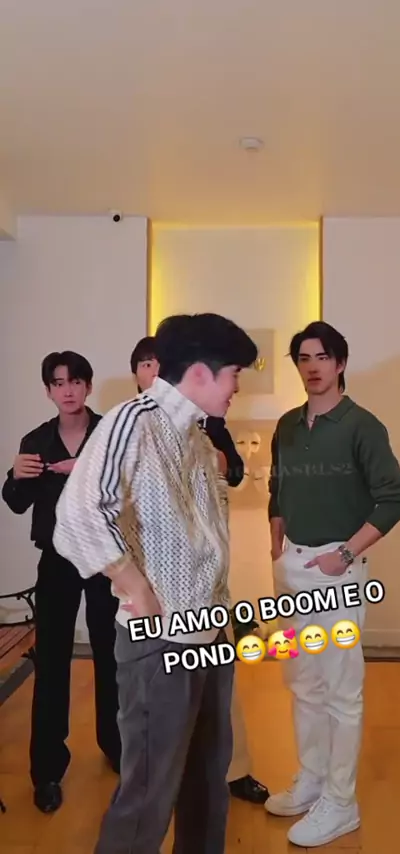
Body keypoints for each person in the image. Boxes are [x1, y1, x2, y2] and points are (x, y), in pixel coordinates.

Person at [53, 314, 258, 854]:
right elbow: (76, 514)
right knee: (148, 792)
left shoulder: (196, 436)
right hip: (160, 640)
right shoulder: (134, 419)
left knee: (207, 779)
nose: (237, 386)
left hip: (209, 632)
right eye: (235, 373)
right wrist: (134, 587)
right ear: (201, 372)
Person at [265, 321, 400, 847]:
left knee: (341, 690)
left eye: (322, 357)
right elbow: (278, 484)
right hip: (292, 568)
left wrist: (345, 554)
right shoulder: (287, 425)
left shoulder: (362, 426)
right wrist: (275, 541)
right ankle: (312, 779)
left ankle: (341, 801)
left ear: (341, 363)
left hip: (337, 573)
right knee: (303, 682)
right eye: (303, 358)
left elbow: (396, 497)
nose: (312, 367)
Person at [130, 335, 270, 805]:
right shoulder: (129, 428)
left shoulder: (206, 422)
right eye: (144, 364)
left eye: (158, 363)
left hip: (205, 585)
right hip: (150, 590)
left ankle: (233, 770)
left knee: (218, 688)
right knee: (155, 698)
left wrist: (212, 453)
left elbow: (234, 471)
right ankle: (161, 780)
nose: (153, 371)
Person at [1, 351, 121, 814]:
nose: (67, 390)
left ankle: (116, 745)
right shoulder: (36, 441)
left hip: (107, 559)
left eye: (75, 381)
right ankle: (47, 770)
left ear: (88, 386)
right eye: (58, 383)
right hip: (56, 560)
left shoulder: (110, 433)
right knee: (51, 662)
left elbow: (132, 491)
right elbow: (16, 501)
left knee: (112, 655)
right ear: (48, 391)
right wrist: (14, 476)